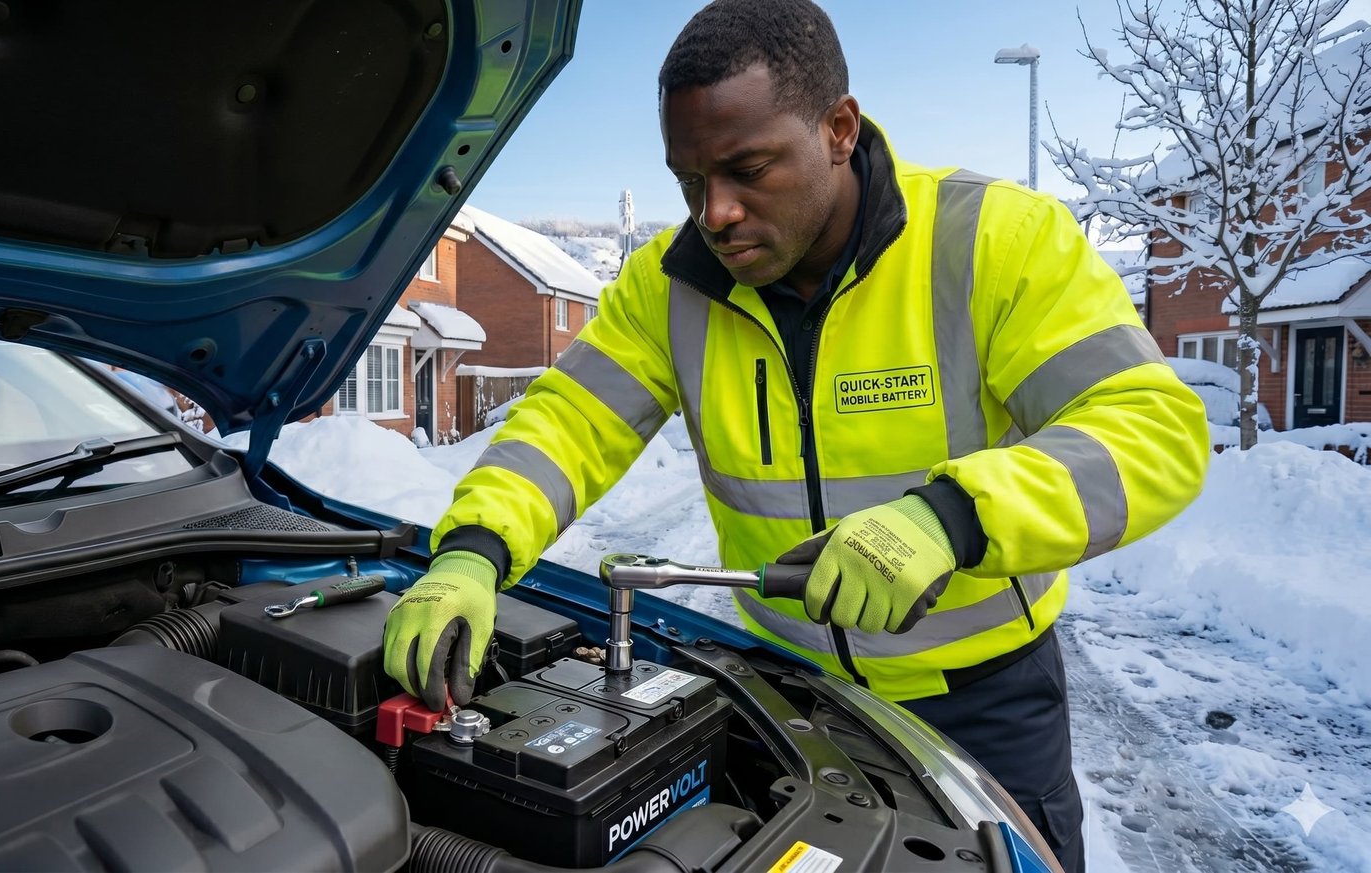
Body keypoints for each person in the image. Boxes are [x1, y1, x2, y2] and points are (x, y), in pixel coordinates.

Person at [383, 1, 1207, 869]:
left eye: (747, 169)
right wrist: (471, 551)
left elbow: (1152, 429)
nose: (717, 213)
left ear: (839, 128)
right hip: (783, 700)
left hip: (982, 705)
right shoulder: (669, 288)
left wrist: (950, 518)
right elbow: (567, 423)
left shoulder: (992, 241)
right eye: (690, 181)